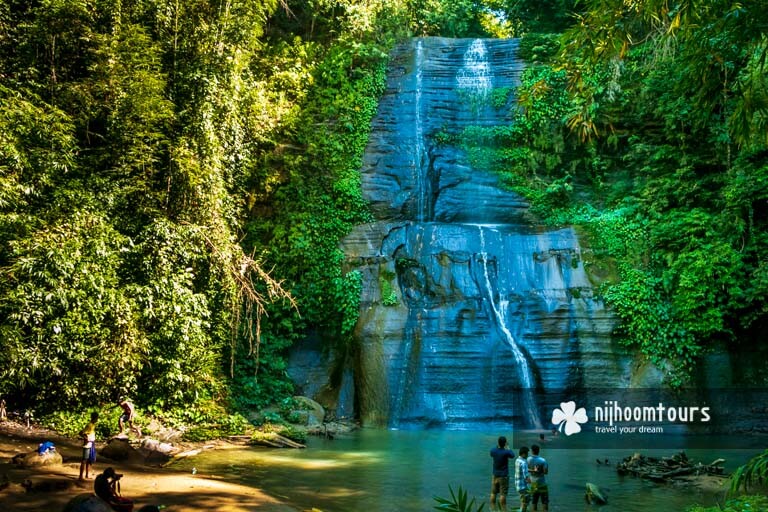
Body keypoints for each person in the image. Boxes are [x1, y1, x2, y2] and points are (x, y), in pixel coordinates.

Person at [489, 436, 515, 511]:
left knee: (493, 493)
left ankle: (492, 508)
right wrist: (507, 447)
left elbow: (492, 453)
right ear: (505, 443)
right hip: (503, 476)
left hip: (495, 475)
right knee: (502, 494)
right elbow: (512, 455)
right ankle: (503, 509)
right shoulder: (506, 452)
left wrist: (499, 445)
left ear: (498, 442)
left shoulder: (493, 450)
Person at [527, 444, 549, 511]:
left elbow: (526, 469)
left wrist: (533, 470)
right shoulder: (543, 460)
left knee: (534, 503)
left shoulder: (528, 459)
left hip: (533, 484)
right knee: (545, 503)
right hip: (542, 483)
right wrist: (539, 471)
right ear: (538, 451)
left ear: (531, 451)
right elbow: (546, 472)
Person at [79, 412, 99, 481]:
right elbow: (81, 433)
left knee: (89, 460)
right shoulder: (89, 425)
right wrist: (86, 438)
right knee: (84, 460)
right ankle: (80, 476)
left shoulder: (93, 425)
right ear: (95, 418)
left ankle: (87, 474)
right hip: (87, 445)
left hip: (91, 444)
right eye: (96, 418)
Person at [515, 446, 531, 512]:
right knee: (525, 502)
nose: (527, 455)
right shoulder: (524, 463)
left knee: (522, 500)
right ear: (523, 454)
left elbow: (522, 471)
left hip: (517, 485)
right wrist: (532, 484)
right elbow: (526, 477)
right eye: (527, 453)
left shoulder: (517, 460)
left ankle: (521, 510)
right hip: (523, 486)